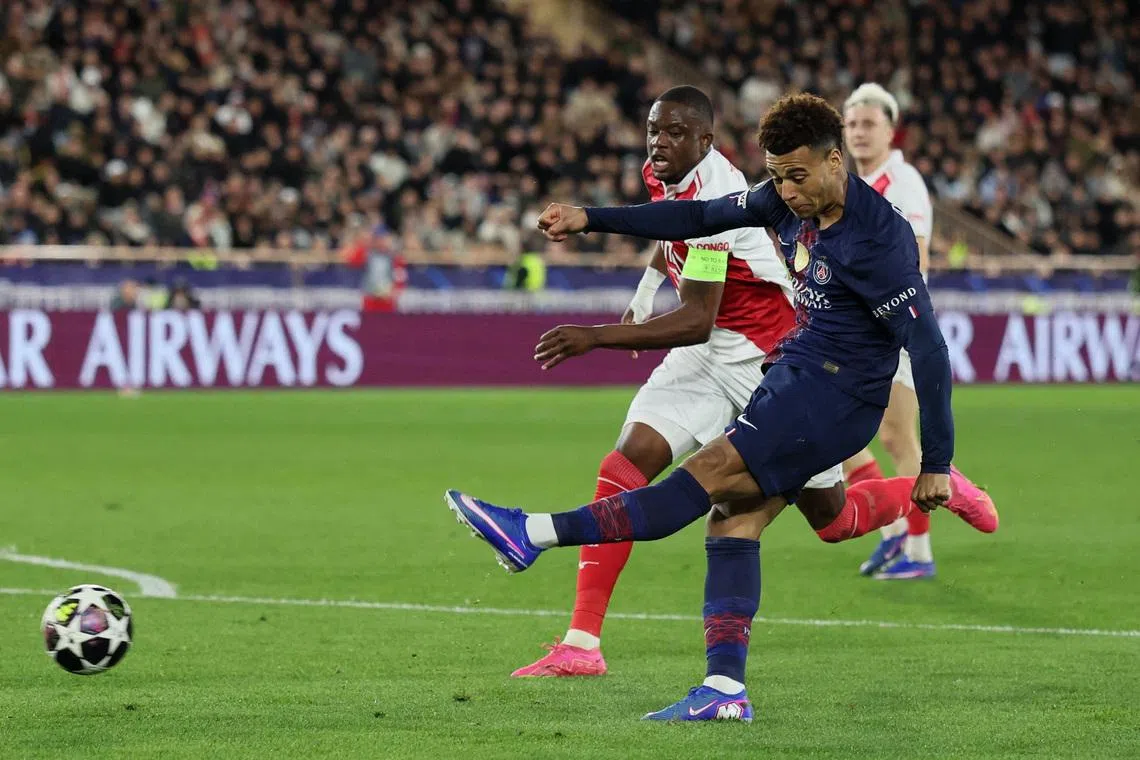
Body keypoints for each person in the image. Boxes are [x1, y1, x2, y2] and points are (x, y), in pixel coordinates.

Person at [444, 93, 998, 722]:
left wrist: (937, 454)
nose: (786, 191)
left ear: (836, 161)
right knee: (774, 519)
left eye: (798, 175)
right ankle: (725, 691)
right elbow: (698, 219)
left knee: (698, 485)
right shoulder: (777, 195)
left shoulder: (880, 239)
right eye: (779, 175)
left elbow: (929, 350)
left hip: (832, 397)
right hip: (793, 371)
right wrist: (590, 220)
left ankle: (532, 533)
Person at [512, 85, 827, 678]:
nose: (659, 142)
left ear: (706, 141)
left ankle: (930, 484)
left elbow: (694, 319)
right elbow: (669, 231)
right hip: (707, 353)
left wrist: (597, 335)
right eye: (654, 129)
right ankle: (581, 643)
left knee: (832, 517)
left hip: (768, 355)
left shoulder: (721, 192)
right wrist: (641, 294)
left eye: (675, 133)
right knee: (624, 463)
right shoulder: (664, 170)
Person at [842, 83, 938, 580]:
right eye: (852, 124)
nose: (858, 132)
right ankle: (893, 533)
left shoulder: (902, 183)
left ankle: (917, 552)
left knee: (899, 437)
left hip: (897, 324)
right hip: (855, 328)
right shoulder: (849, 183)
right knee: (835, 436)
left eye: (868, 124)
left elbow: (915, 258)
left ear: (889, 129)